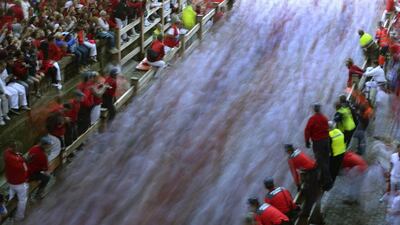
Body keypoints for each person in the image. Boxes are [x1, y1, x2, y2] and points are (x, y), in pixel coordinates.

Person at [304, 103, 332, 191]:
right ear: (320, 109)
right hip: (326, 141)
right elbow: (328, 128)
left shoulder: (312, 119)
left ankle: (328, 181)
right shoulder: (324, 118)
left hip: (318, 142)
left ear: (314, 110)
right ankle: (325, 175)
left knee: (320, 161)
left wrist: (307, 141)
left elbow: (307, 131)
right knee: (326, 159)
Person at [285, 144, 318, 218]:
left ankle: (305, 214)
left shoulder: (291, 159)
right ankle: (315, 200)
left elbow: (294, 173)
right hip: (315, 169)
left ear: (288, 151)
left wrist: (298, 185)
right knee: (312, 189)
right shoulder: (298, 151)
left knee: (308, 196)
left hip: (310, 173)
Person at [3, 141, 28, 221]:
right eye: (16, 148)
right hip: (19, 183)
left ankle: (10, 211)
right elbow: (24, 169)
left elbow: (16, 157)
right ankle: (19, 217)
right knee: (23, 200)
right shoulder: (15, 160)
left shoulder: (7, 153)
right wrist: (23, 160)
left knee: (11, 195)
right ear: (13, 148)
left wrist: (18, 156)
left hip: (11, 181)